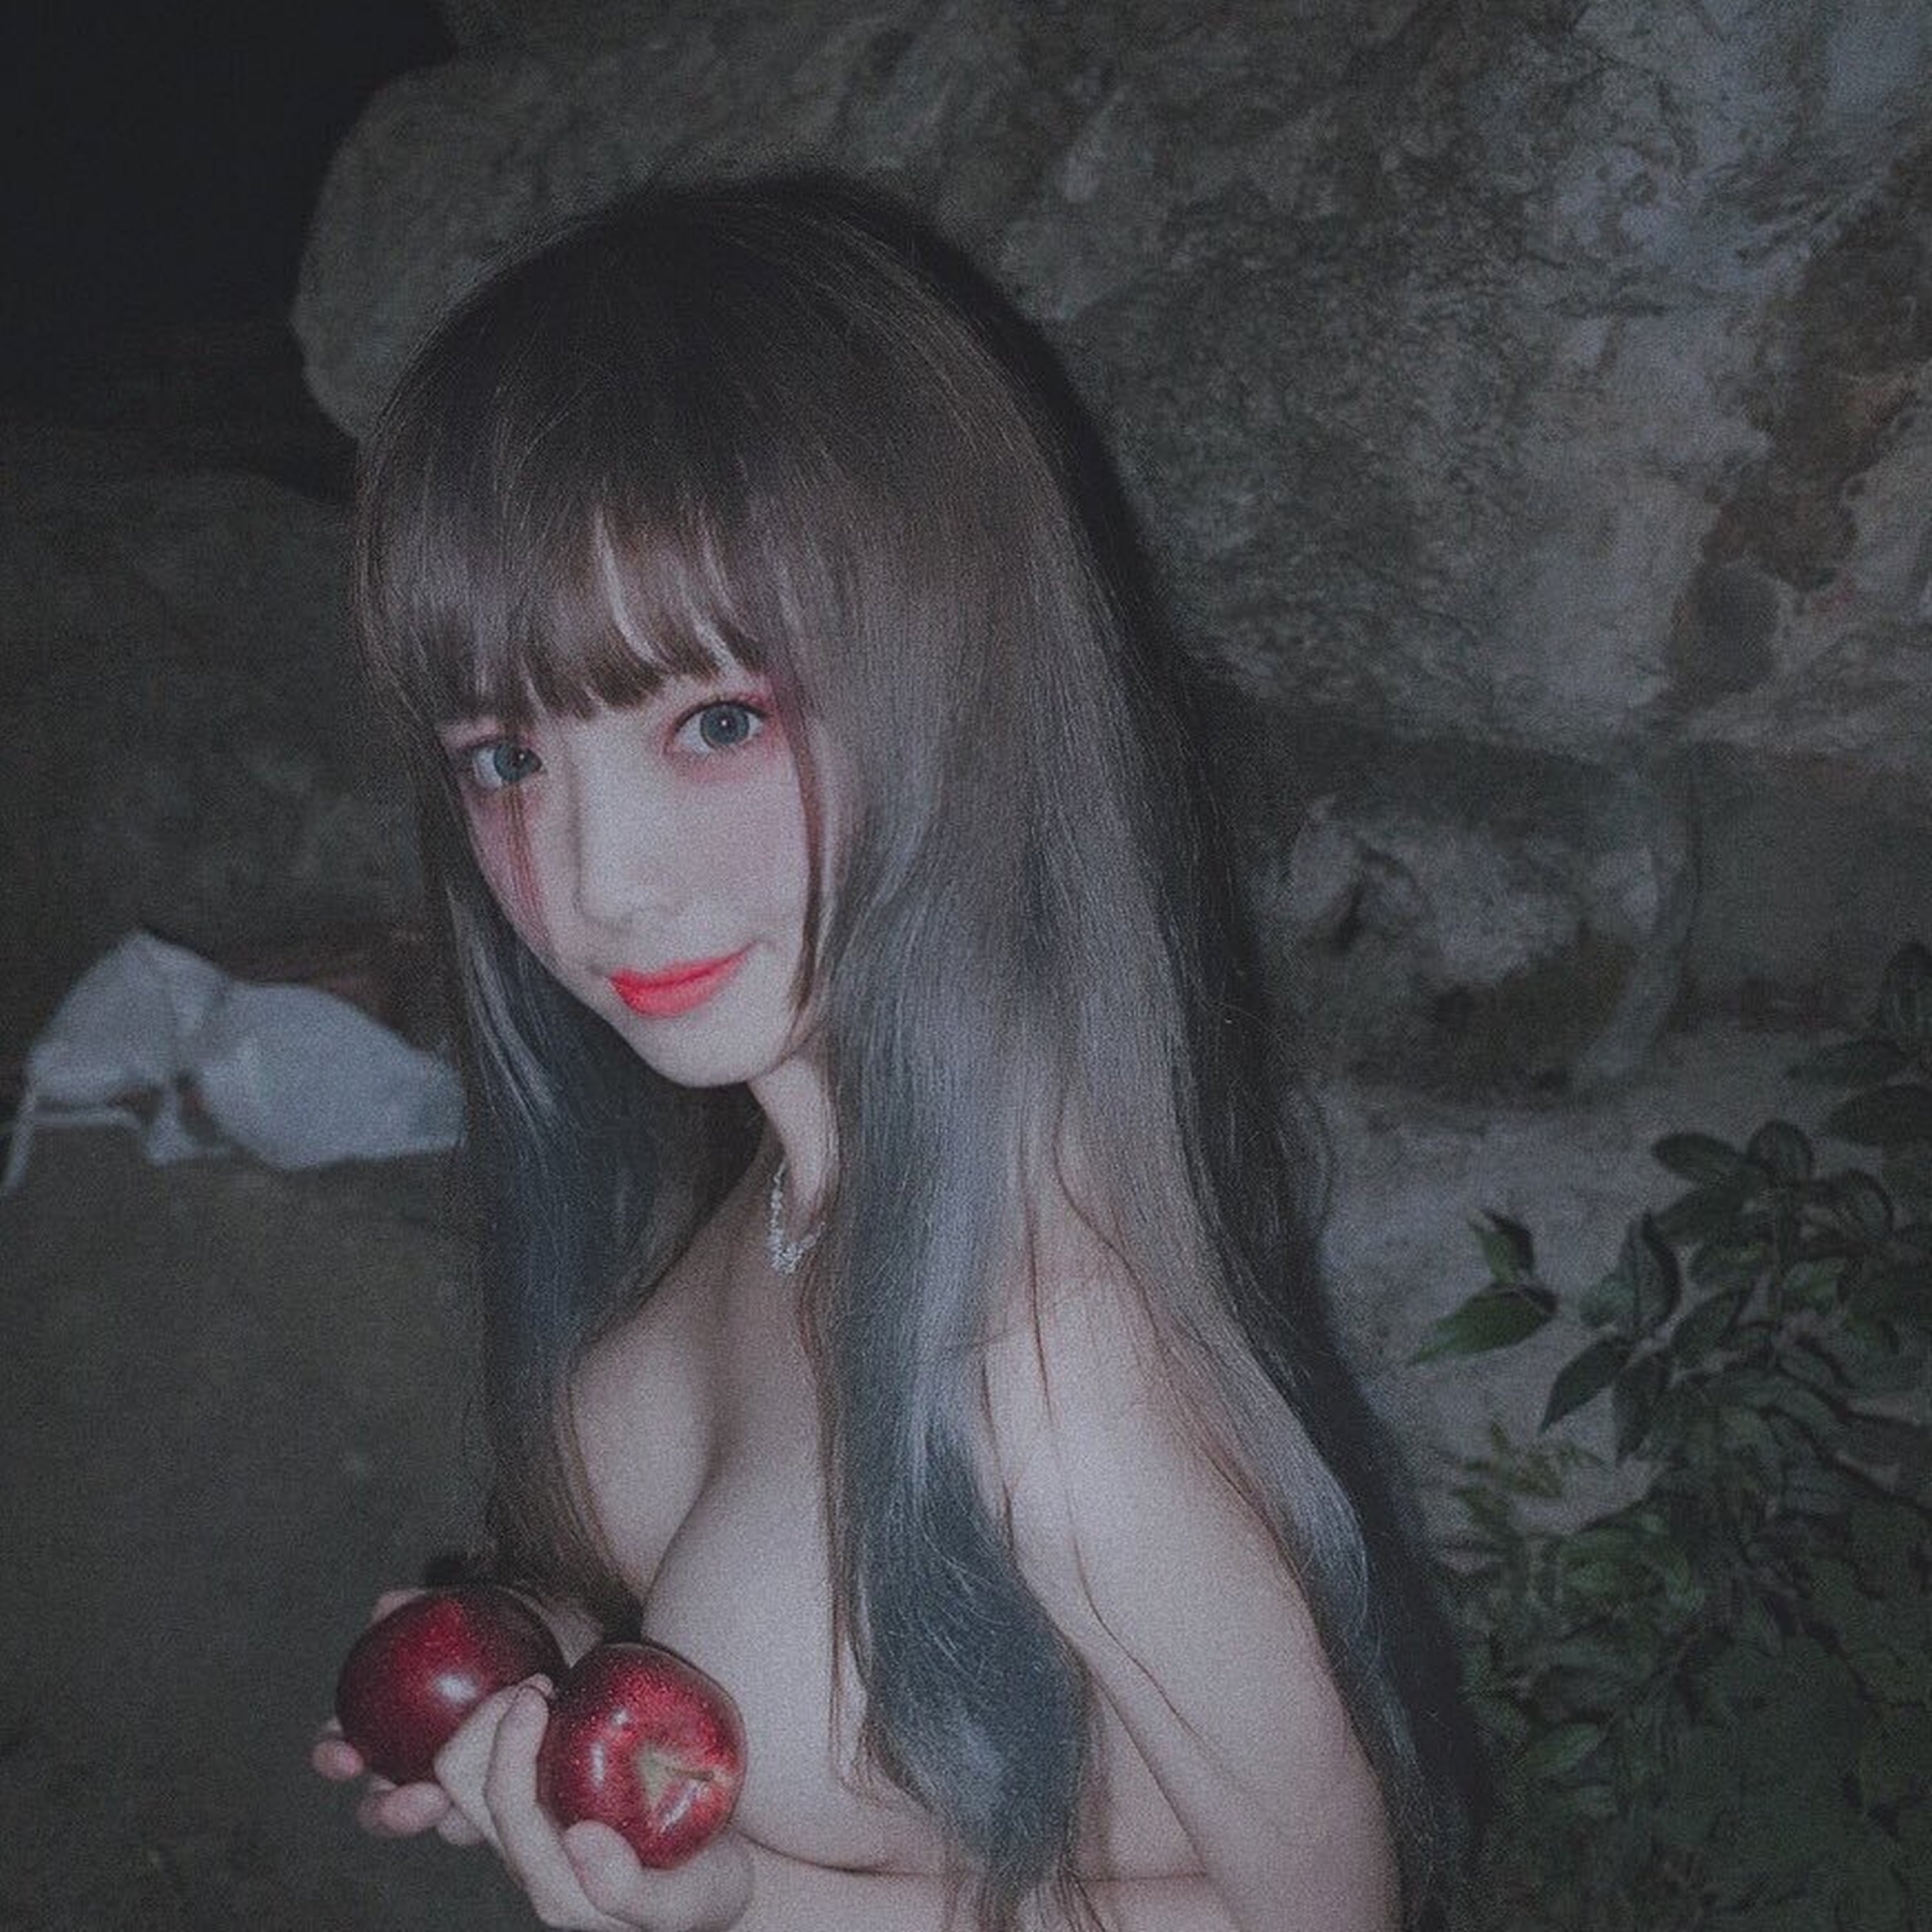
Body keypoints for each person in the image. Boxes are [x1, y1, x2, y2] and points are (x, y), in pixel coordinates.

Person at [311, 173, 1476, 1931]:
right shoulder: (806, 1172)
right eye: (507, 759)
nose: (597, 883)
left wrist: (758, 1903)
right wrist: (528, 1669)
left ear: (950, 688)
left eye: (713, 722)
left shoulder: (1047, 1376)